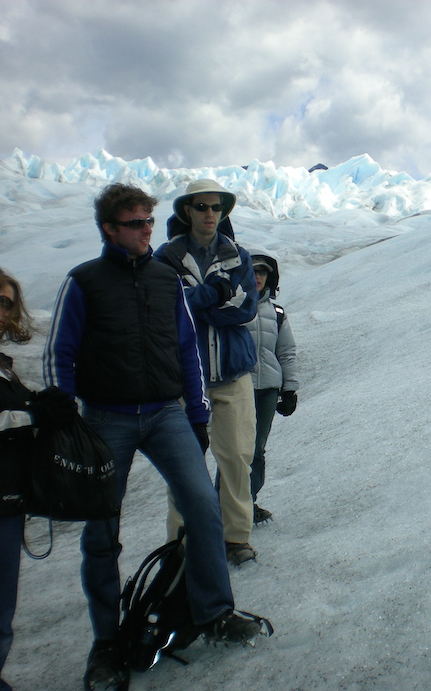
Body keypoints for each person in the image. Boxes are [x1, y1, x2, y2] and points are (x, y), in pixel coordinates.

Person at [43, 184, 265, 691]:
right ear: (109, 229)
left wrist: (197, 413)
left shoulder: (165, 278)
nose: (147, 229)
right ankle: (106, 643)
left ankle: (213, 612)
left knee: (203, 507)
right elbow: (61, 351)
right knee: (102, 532)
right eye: (135, 222)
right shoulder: (85, 281)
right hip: (107, 419)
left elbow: (187, 349)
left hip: (166, 413)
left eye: (148, 220)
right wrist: (64, 409)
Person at [153, 179, 259, 566]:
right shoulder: (166, 258)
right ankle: (182, 544)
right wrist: (215, 294)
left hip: (233, 374)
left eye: (216, 207)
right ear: (187, 211)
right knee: (184, 467)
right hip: (186, 381)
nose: (209, 213)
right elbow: (167, 308)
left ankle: (235, 537)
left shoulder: (237, 255)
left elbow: (246, 307)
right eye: (201, 207)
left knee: (236, 459)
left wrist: (196, 305)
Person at [1, 269, 77, 691]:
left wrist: (35, 403)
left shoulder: (3, 368)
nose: (3, 312)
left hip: (8, 502)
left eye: (8, 304)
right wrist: (32, 414)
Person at [245, 253, 299, 525]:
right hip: (238, 389)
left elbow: (286, 352)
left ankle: (247, 503)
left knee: (256, 450)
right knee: (236, 451)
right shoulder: (231, 307)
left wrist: (289, 390)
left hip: (267, 389)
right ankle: (227, 505)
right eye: (253, 271)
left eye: (263, 272)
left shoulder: (276, 314)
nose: (258, 277)